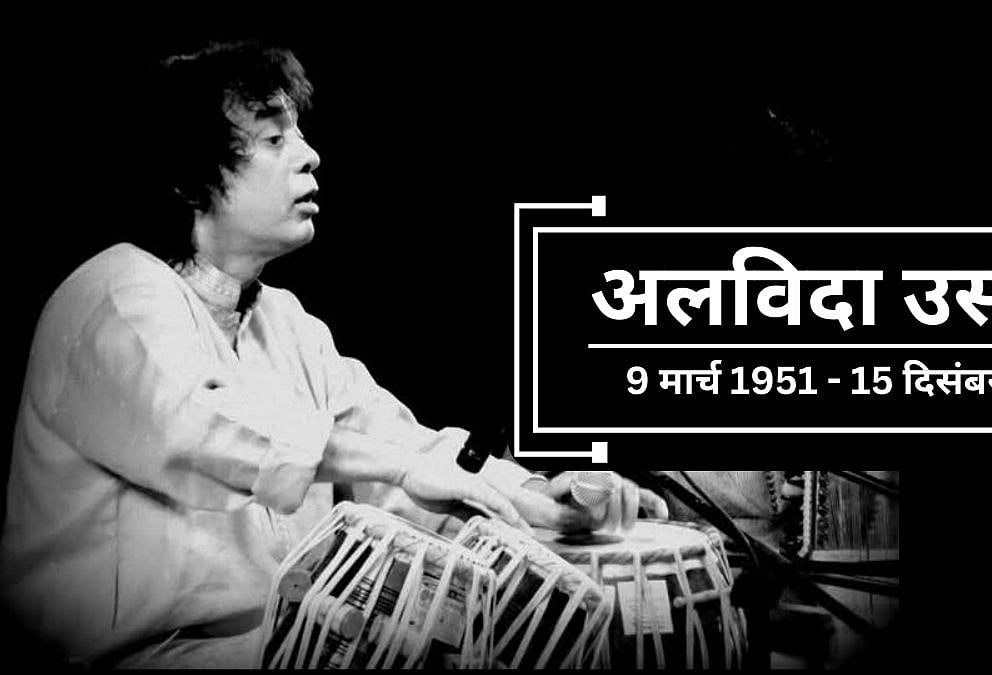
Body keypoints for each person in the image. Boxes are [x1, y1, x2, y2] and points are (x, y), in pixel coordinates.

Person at [0, 41, 666, 668]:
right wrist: (409, 465)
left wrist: (533, 496)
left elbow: (398, 452)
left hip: (279, 647)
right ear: (187, 177)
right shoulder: (113, 297)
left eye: (299, 133)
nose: (311, 155)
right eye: (273, 139)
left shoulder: (285, 323)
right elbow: (215, 431)